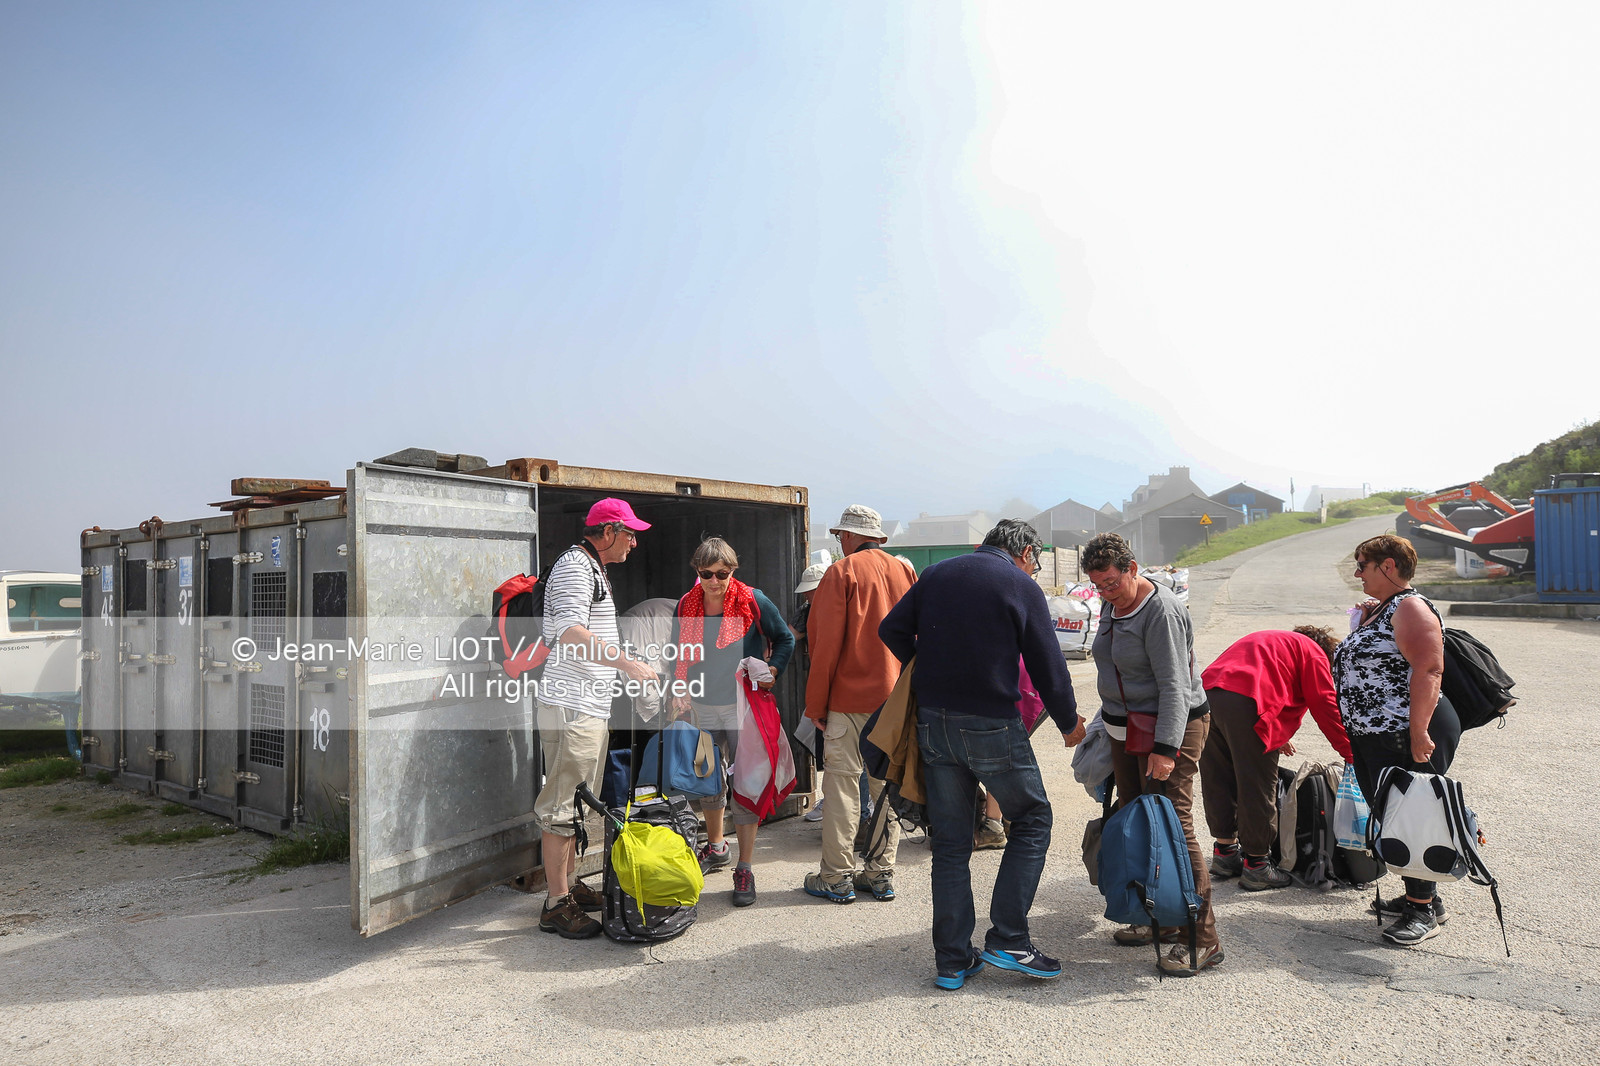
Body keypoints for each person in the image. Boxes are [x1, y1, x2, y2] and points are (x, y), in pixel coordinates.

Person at [879, 519, 1084, 989]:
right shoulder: (1020, 585)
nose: (1033, 569)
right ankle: (1009, 938)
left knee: (951, 843)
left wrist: (928, 665)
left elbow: (891, 629)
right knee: (1032, 819)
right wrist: (1068, 721)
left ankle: (952, 961)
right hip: (991, 723)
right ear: (1026, 553)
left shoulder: (937, 574)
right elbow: (1048, 664)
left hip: (933, 722)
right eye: (1034, 562)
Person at [1084, 531, 1222, 977]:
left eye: (1112, 583)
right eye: (1098, 586)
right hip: (1125, 731)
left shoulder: (1161, 610)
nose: (1107, 593)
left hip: (1169, 729)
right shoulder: (1112, 604)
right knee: (1137, 823)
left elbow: (1174, 687)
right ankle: (1157, 916)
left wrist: (1166, 749)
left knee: (1173, 827)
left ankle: (1202, 938)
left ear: (1132, 568)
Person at [534, 498, 658, 939]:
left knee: (577, 800)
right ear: (607, 532)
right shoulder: (575, 566)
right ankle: (556, 904)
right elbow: (569, 633)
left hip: (586, 706)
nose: (634, 542)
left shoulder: (592, 567)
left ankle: (569, 886)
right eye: (629, 534)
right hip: (572, 707)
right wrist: (627, 664)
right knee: (561, 806)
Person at [1332, 534, 1461, 945]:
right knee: (1393, 815)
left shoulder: (1410, 607)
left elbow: (1429, 669)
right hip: (1376, 733)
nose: (1358, 574)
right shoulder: (1383, 609)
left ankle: (1422, 911)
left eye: (1363, 565)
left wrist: (1419, 731)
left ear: (1388, 566)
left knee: (1413, 816)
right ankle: (1424, 898)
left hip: (1404, 732)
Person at [669, 537, 794, 907]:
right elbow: (678, 652)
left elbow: (785, 639)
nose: (714, 581)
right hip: (701, 707)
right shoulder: (686, 604)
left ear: (732, 571)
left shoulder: (752, 600)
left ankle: (745, 866)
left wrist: (773, 670)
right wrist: (678, 689)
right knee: (708, 780)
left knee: (747, 781)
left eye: (722, 574)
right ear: (697, 572)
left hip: (743, 706)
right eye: (706, 574)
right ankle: (716, 846)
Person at [802, 505, 916, 904]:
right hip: (894, 699)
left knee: (842, 788)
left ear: (848, 536)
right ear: (877, 537)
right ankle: (880, 874)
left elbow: (825, 645)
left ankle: (836, 877)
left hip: (848, 700)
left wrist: (815, 705)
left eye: (840, 536)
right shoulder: (904, 571)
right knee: (886, 787)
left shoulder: (841, 572)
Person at [1199, 626, 1356, 889]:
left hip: (1206, 695)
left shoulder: (1273, 640)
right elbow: (1324, 703)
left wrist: (1275, 732)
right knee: (1256, 784)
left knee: (1218, 778)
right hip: (1246, 701)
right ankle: (1257, 865)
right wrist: (1350, 753)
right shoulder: (1314, 653)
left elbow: (1264, 678)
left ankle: (1225, 854)